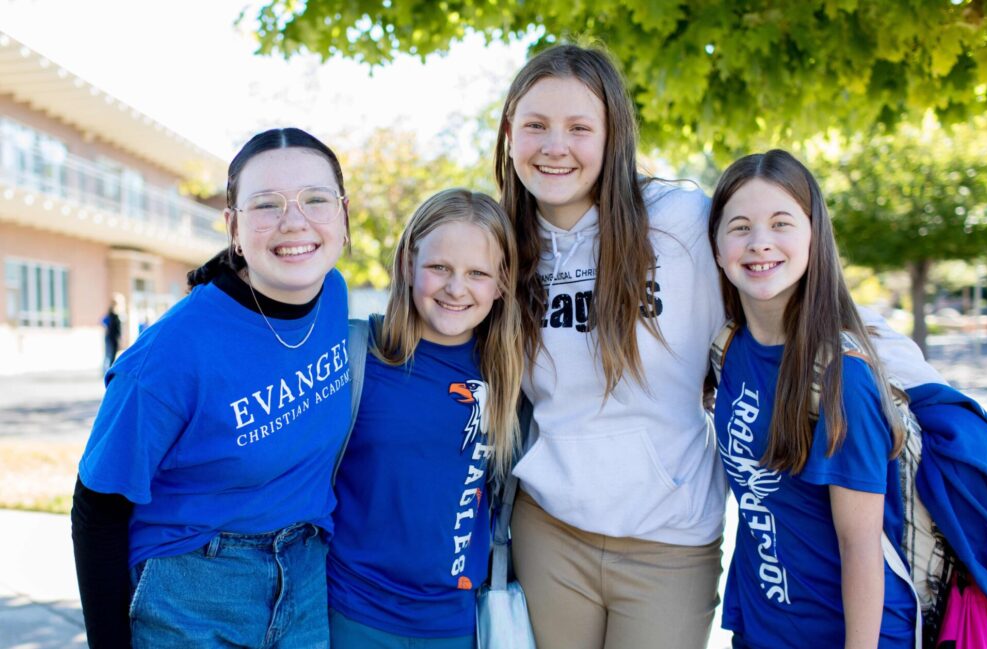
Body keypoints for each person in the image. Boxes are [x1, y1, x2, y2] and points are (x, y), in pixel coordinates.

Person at [494, 44, 942, 649]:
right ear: (510, 133)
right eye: (536, 126)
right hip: (550, 527)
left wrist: (922, 387)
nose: (555, 146)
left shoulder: (678, 222)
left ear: (613, 135)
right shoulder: (503, 245)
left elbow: (787, 285)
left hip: (670, 539)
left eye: (579, 127)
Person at [71, 127, 352, 648]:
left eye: (316, 199)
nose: (295, 221)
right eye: (266, 205)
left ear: (342, 213)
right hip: (193, 593)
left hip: (308, 580)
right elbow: (97, 508)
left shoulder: (334, 296)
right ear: (234, 228)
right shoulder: (170, 355)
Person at [708, 149, 917, 648]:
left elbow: (860, 544)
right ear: (717, 247)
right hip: (762, 630)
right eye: (740, 227)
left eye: (781, 223)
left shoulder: (843, 377)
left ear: (813, 237)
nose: (760, 243)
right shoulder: (729, 348)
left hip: (845, 635)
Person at [326, 188, 523, 648]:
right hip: (352, 614)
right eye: (440, 268)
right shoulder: (357, 353)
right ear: (409, 263)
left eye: (477, 273)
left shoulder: (510, 373)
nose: (456, 288)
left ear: (501, 282)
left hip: (455, 624)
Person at [102, 300, 121, 372]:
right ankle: (108, 370)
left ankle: (108, 370)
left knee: (111, 355)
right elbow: (103, 322)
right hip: (111, 338)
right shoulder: (111, 314)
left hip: (112, 337)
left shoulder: (115, 315)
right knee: (110, 355)